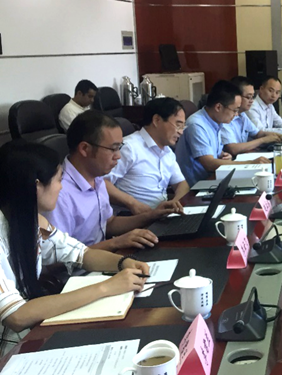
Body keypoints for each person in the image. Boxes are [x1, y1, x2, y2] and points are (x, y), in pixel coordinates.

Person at [0, 142, 149, 338]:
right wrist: (107, 287)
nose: (61, 187)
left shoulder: (33, 221)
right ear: (36, 187)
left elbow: (82, 254)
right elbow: (17, 316)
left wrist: (123, 262)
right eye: (58, 180)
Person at [49, 112, 175, 251]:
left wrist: (151, 216)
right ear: (85, 149)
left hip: (102, 256)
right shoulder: (59, 194)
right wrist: (115, 243)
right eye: (113, 149)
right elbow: (59, 258)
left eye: (119, 148)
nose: (118, 156)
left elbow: (109, 223)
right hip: (82, 265)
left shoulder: (96, 177)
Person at [176, 80, 269, 187]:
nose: (236, 115)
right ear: (218, 107)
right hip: (197, 185)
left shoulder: (216, 121)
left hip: (214, 178)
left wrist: (223, 155)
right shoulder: (197, 125)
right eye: (234, 110)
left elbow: (212, 151)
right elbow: (209, 164)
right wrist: (250, 163)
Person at [105, 98, 190, 214]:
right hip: (132, 217)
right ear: (157, 120)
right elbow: (101, 182)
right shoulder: (129, 148)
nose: (181, 132)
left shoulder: (167, 151)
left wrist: (176, 203)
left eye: (183, 127)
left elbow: (181, 184)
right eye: (178, 125)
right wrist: (132, 203)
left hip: (158, 215)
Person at [221, 76, 282, 156]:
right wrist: (263, 140)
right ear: (236, 97)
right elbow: (233, 149)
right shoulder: (225, 117)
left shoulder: (242, 114)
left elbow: (257, 133)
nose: (251, 101)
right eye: (248, 97)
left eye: (252, 97)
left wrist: (273, 135)